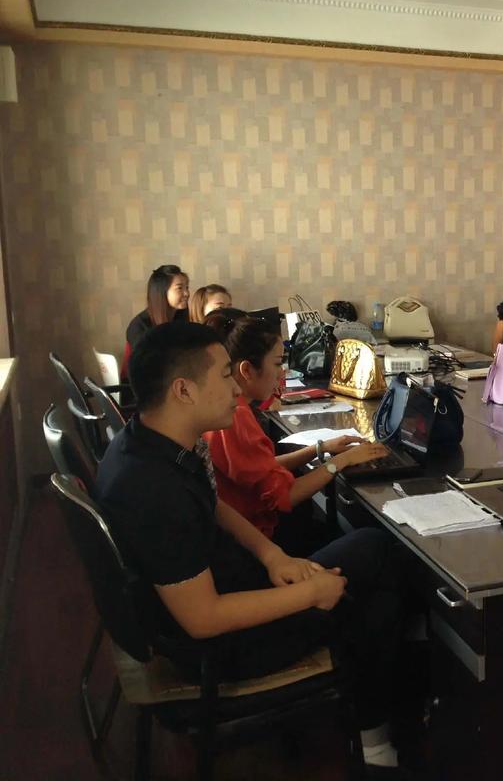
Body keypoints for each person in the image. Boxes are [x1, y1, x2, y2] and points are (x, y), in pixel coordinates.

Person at [94, 321, 404, 766]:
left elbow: (212, 504)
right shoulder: (154, 491)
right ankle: (377, 747)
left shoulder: (147, 441)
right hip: (218, 650)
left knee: (369, 549)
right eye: (225, 376)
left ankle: (375, 724)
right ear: (183, 390)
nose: (236, 389)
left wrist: (272, 555)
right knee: (378, 577)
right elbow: (203, 619)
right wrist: (311, 593)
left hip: (221, 583)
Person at [204, 312, 389, 551]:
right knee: (374, 540)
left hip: (242, 537)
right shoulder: (236, 417)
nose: (282, 372)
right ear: (247, 370)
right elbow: (284, 496)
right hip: (255, 546)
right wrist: (340, 461)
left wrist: (319, 449)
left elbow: (261, 468)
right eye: (277, 363)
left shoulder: (229, 410)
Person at [125, 264, 190, 352]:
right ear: (161, 292)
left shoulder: (182, 317)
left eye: (187, 287)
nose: (186, 293)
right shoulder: (139, 326)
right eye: (179, 288)